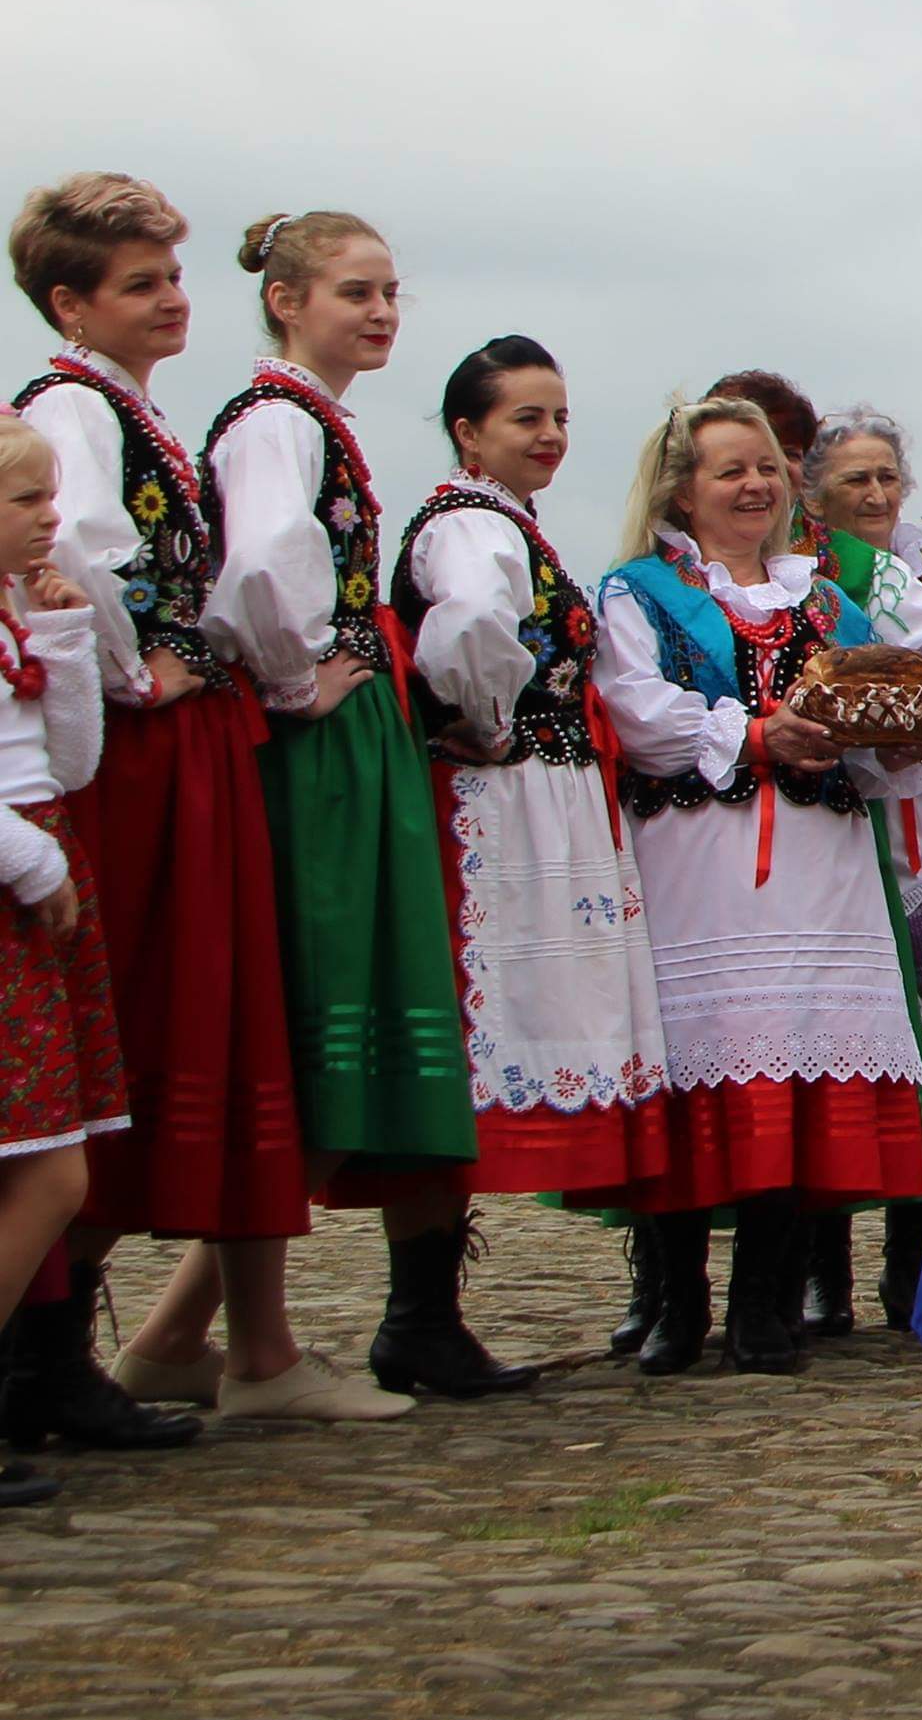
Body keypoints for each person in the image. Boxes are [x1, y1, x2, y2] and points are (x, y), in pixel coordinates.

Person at [7, 179, 312, 1444]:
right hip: (121, 755)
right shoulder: (73, 405)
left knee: (117, 1026)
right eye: (140, 283)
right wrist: (142, 664)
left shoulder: (126, 407)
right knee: (112, 1012)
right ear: (71, 301)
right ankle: (48, 1350)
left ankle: (58, 1348)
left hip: (147, 738)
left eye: (175, 277)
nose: (173, 300)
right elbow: (70, 547)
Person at [201, 212, 512, 1402]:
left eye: (391, 293)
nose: (381, 312)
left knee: (345, 1010)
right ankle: (251, 1346)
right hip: (323, 741)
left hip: (350, 730)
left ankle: (216, 1337)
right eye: (354, 291)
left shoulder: (312, 420)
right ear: (286, 300)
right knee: (322, 1000)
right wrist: (296, 679)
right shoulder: (278, 420)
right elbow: (262, 566)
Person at [592, 396, 922, 1375]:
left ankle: (767, 1301)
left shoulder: (828, 602)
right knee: (698, 1059)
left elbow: (880, 719)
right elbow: (637, 711)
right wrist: (752, 734)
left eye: (765, 469)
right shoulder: (637, 593)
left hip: (816, 863)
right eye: (728, 471)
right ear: (680, 489)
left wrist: (908, 737)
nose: (754, 486)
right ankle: (675, 1299)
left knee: (795, 1063)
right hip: (700, 861)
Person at [391, 338, 675, 1222]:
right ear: (467, 433)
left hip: (534, 797)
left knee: (494, 1031)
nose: (551, 435)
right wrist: (484, 719)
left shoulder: (503, 519)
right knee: (485, 1025)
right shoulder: (475, 525)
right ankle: (422, 1310)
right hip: (500, 802)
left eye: (559, 418)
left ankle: (427, 1307)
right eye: (527, 418)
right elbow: (470, 620)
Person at [797, 405, 922, 1333]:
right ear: (815, 494)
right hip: (842, 829)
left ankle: (917, 1261)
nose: (876, 495)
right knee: (841, 1040)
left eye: (887, 477)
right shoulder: (803, 581)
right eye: (855, 481)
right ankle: (819, 1268)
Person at [0, 409, 128, 1507]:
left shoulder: (18, 613)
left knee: (52, 1152)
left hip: (40, 861)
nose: (52, 518)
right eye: (27, 501)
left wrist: (65, 637)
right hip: (16, 884)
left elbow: (71, 754)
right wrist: (36, 869)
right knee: (48, 1170)